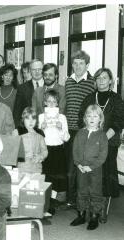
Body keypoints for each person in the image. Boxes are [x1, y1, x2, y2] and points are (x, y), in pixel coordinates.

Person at [79, 67, 124, 222]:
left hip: (109, 141)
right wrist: (92, 138)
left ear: (110, 81)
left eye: (104, 78)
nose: (101, 80)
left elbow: (119, 121)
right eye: (98, 78)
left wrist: (102, 139)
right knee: (89, 174)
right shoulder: (89, 98)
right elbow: (81, 118)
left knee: (104, 173)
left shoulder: (116, 99)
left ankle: (102, 207)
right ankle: (89, 206)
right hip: (90, 142)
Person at [64, 50, 96, 209]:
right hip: (68, 131)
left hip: (83, 131)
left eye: (81, 63)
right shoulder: (68, 81)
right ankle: (70, 199)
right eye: (75, 63)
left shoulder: (92, 83)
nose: (77, 66)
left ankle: (81, 201)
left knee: (82, 166)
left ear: (87, 65)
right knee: (70, 167)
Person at [71, 104, 108, 230]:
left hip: (95, 170)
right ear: (85, 118)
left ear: (100, 119)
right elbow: (75, 150)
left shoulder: (102, 135)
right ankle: (81, 215)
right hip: (81, 168)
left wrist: (91, 167)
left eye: (95, 116)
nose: (92, 118)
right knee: (81, 191)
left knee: (95, 192)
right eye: (89, 115)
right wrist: (78, 164)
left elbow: (103, 156)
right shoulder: (80, 133)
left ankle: (94, 217)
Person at [39, 89, 70, 209]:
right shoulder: (41, 117)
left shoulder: (62, 118)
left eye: (54, 102)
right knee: (46, 176)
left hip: (58, 150)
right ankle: (48, 202)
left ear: (57, 103)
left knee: (57, 177)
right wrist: (41, 129)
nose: (51, 104)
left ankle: (54, 200)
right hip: (46, 150)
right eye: (49, 101)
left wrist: (61, 128)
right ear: (45, 103)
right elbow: (38, 138)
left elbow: (66, 138)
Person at [13, 59, 44, 128]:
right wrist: (19, 129)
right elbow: (17, 112)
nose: (37, 72)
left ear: (43, 70)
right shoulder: (22, 88)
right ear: (30, 71)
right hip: (27, 128)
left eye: (39, 69)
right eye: (34, 69)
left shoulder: (49, 86)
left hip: (47, 128)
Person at [17, 107, 48, 173]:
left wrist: (40, 157)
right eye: (27, 118)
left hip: (37, 168)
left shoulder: (40, 133)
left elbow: (45, 151)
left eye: (33, 118)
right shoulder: (17, 132)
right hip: (22, 168)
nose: (31, 121)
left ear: (36, 120)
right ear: (23, 120)